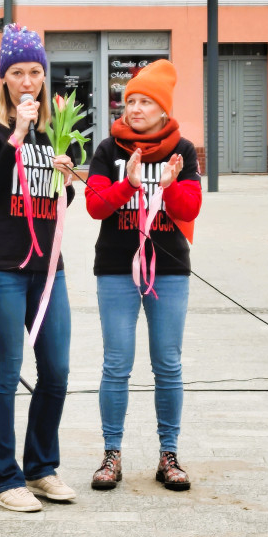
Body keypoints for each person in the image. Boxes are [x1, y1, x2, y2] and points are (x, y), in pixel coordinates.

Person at [0, 23, 76, 512]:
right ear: (4, 78)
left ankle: (42, 468)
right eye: (17, 72)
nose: (28, 81)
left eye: (35, 71)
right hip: (0, 267)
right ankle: (5, 479)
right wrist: (17, 136)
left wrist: (67, 178)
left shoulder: (58, 128)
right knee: (5, 371)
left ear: (44, 76)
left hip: (48, 269)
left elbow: (58, 202)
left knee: (56, 370)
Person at [85, 59, 202, 492]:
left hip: (169, 270)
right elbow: (96, 206)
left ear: (162, 110)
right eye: (129, 100)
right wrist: (130, 185)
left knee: (167, 365)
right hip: (115, 269)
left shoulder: (183, 151)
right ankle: (111, 455)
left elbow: (189, 208)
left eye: (144, 101)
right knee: (116, 364)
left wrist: (169, 186)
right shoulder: (108, 149)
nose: (133, 108)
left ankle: (168, 455)